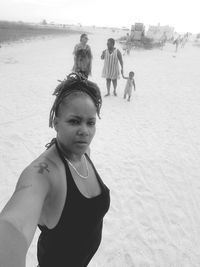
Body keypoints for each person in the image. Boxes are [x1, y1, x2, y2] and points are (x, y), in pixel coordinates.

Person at [0, 72, 110, 267]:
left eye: (90, 122)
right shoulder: (42, 174)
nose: (84, 130)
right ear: (55, 122)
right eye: (74, 121)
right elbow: (13, 225)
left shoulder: (84, 152)